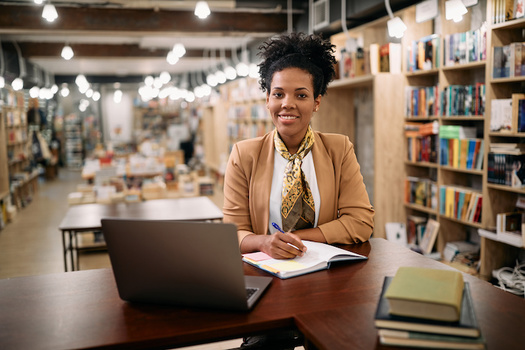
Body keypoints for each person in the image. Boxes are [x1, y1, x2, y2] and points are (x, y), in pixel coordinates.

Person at [223, 32, 374, 262]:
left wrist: (296, 238)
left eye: (301, 95)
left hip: (324, 271)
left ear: (316, 102)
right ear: (267, 100)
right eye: (278, 94)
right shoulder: (244, 155)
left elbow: (360, 222)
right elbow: (233, 232)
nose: (287, 104)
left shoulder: (339, 149)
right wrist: (265, 242)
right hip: (267, 271)